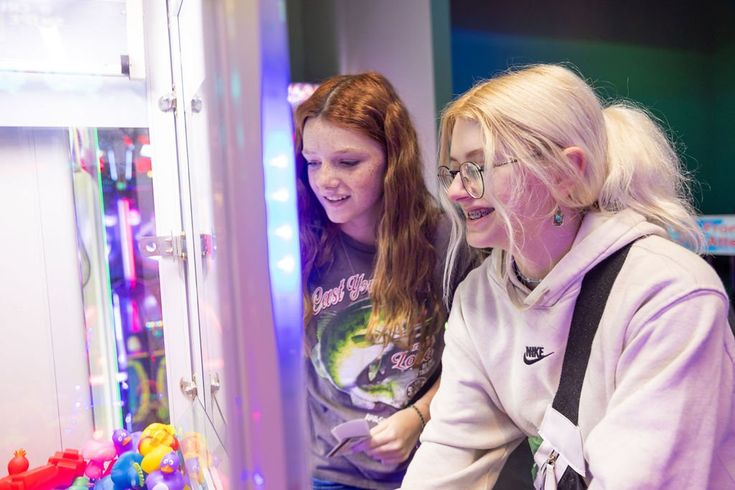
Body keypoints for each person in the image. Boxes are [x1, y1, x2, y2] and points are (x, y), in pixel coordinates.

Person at [401, 64, 735, 489]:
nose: (455, 191)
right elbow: (452, 450)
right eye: (453, 171)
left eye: (478, 168)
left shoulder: (669, 293)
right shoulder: (480, 296)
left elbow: (639, 479)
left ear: (566, 173)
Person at [295, 72, 476, 490]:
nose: (325, 180)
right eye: (312, 162)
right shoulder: (299, 245)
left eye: (348, 162)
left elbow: (482, 361)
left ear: (393, 160)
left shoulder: (448, 243)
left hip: (430, 468)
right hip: (329, 473)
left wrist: (419, 416)